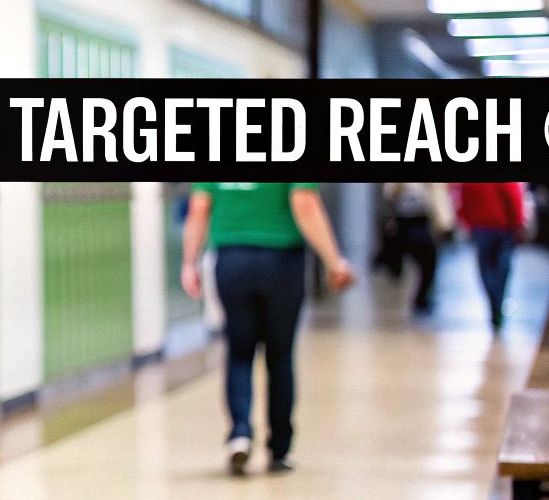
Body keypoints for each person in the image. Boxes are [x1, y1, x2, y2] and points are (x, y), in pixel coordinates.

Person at [181, 182, 354, 476]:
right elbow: (305, 204)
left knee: (238, 351)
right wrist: (334, 261)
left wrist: (189, 262)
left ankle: (239, 433)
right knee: (280, 356)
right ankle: (279, 449)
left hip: (231, 260)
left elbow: (199, 208)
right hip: (281, 261)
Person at [454, 182, 527, 331]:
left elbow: (463, 200)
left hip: (482, 228)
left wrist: (466, 221)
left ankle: (495, 302)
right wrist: (518, 222)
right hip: (503, 227)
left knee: (486, 269)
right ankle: (498, 302)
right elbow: (513, 197)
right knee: (502, 268)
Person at [382, 182, 451, 315]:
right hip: (402, 223)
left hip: (422, 222)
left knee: (428, 263)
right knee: (405, 259)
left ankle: (422, 297)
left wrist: (445, 224)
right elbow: (389, 194)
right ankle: (397, 270)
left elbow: (439, 197)